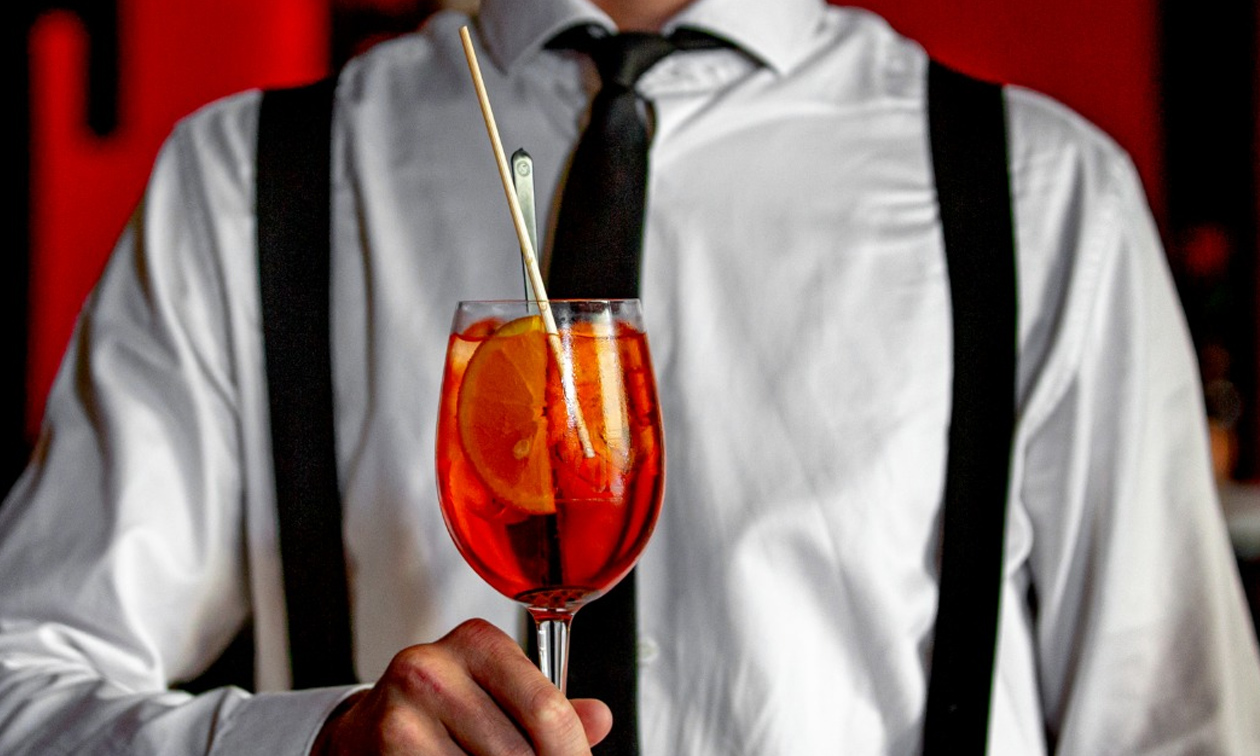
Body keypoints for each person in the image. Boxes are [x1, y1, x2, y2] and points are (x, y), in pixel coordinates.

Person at [1, 0, 1258, 753]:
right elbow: (18, 689)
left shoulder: (1044, 190)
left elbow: (1179, 726)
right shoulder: (246, 180)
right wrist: (308, 745)